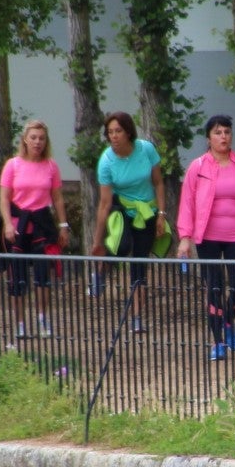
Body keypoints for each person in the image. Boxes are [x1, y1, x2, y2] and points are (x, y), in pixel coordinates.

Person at [176, 114, 235, 361]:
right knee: (214, 288)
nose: (223, 136)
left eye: (227, 132)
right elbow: (187, 204)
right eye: (217, 132)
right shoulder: (198, 167)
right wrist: (185, 236)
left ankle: (227, 323)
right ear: (208, 138)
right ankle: (218, 343)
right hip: (208, 237)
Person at [91, 111, 167, 334]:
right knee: (121, 246)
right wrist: (98, 242)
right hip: (120, 208)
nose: (114, 136)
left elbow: (159, 183)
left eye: (118, 131)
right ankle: (101, 271)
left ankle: (135, 316)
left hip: (146, 211)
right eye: (110, 132)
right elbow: (104, 204)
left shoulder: (146, 149)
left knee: (139, 265)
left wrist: (161, 214)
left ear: (128, 132)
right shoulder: (106, 161)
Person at [0, 119, 70, 338]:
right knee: (17, 276)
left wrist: (63, 225)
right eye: (33, 138)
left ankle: (42, 318)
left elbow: (57, 198)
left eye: (41, 138)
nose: (37, 142)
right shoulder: (13, 165)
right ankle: (20, 323)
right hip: (19, 223)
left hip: (42, 225)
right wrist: (8, 224)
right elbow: (3, 197)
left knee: (42, 275)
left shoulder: (51, 166)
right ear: (25, 140)